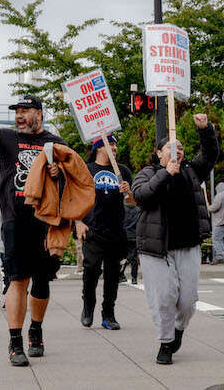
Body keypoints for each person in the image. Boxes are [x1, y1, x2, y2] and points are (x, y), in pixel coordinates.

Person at [0, 85, 64, 367]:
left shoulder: (54, 142)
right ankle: (15, 341)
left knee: (42, 281)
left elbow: (70, 180)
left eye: (24, 111)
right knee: (17, 280)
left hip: (45, 222)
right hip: (14, 222)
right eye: (16, 111)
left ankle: (36, 330)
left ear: (38, 114)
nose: (19, 116)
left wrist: (58, 172)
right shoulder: (5, 138)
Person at [131, 114, 219, 365]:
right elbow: (141, 196)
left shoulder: (192, 171)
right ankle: (165, 342)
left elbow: (211, 154)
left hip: (188, 244)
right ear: (159, 154)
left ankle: (179, 329)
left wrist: (205, 129)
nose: (176, 150)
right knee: (163, 298)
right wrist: (165, 174)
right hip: (156, 249)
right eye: (170, 147)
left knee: (188, 301)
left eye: (179, 147)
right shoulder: (148, 173)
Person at [76, 134, 133, 330]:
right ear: (99, 148)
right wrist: (77, 221)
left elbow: (132, 202)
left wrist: (129, 193)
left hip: (116, 230)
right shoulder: (86, 169)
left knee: (112, 275)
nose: (115, 148)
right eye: (110, 144)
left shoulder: (122, 171)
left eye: (116, 144)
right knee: (91, 271)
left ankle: (108, 313)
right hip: (93, 229)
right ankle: (88, 307)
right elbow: (74, 197)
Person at [120, 201, 140, 285]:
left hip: (124, 235)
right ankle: (134, 278)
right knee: (134, 258)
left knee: (122, 256)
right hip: (135, 236)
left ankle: (121, 275)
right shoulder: (138, 209)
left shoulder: (122, 209)